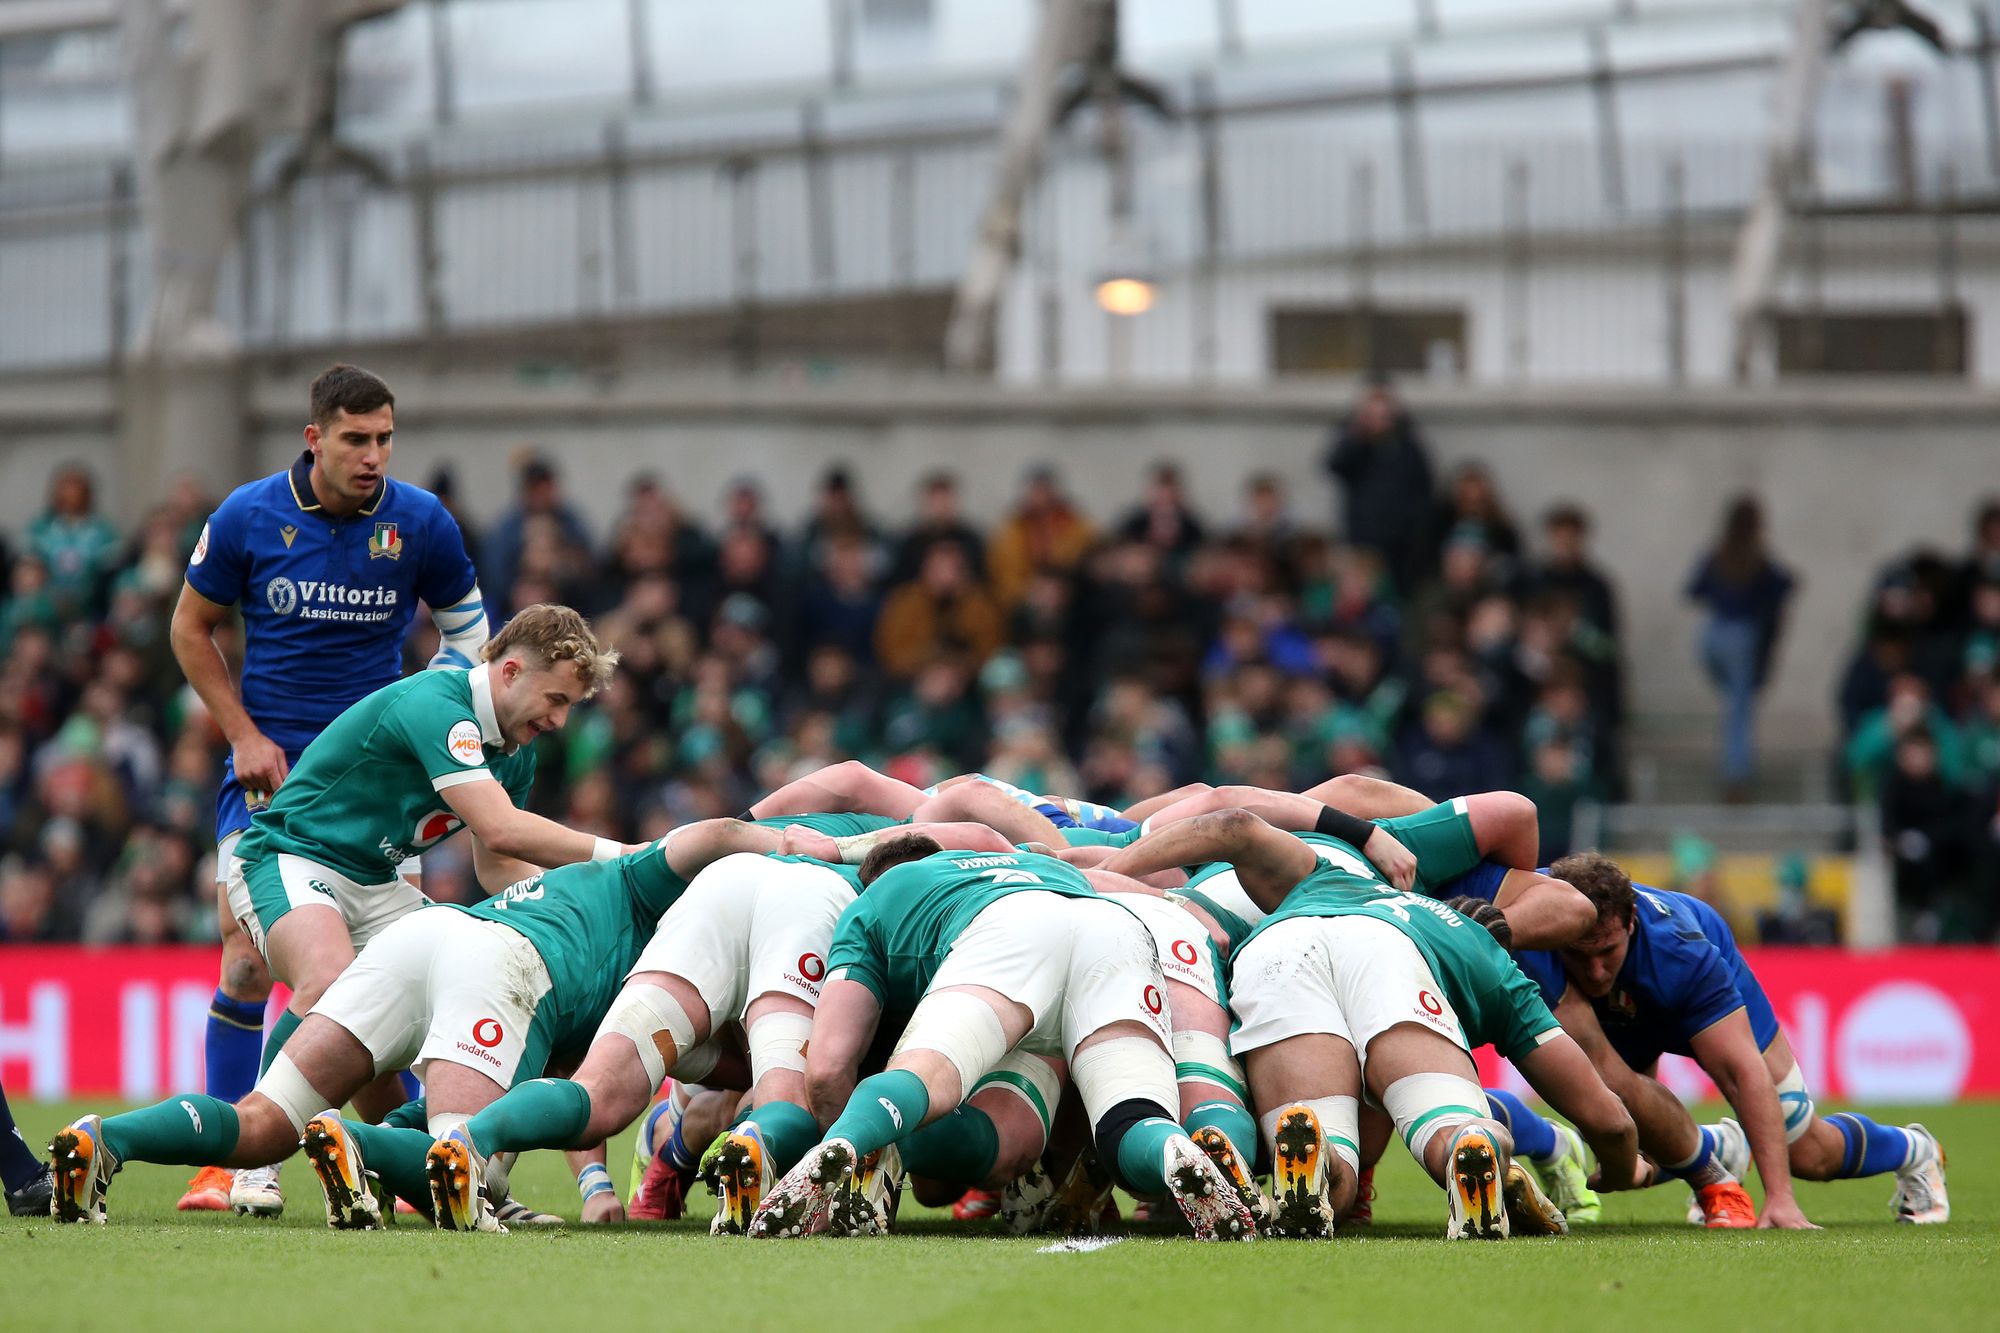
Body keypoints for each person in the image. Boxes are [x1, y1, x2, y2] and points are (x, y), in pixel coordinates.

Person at [46, 821, 784, 1228]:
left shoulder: (606, 903)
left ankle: (106, 1139)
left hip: (423, 940)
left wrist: (593, 1178)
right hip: (501, 969)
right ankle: (357, 1143)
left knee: (262, 1118)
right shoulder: (655, 905)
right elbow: (716, 831)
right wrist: (813, 847)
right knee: (468, 1170)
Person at [169, 363, 489, 1216]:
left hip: (377, 797)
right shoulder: (248, 516)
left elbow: (471, 638)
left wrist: (420, 719)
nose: (373, 455)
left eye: (385, 438)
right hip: (272, 780)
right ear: (314, 438)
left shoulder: (420, 523)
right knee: (247, 960)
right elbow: (189, 628)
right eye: (356, 439)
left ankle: (398, 1170)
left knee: (381, 988)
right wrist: (242, 733)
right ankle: (231, 1159)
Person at [1103, 807, 1639, 1240]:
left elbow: (1233, 824)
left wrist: (1086, 869)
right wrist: (1617, 1168)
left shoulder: (1318, 872)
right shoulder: (1474, 941)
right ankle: (1467, 1142)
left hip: (1278, 949)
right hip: (1397, 958)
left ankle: (1323, 1162)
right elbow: (1606, 1119)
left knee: (1323, 1139)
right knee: (1444, 1117)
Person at [752, 837, 1256, 1241]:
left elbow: (827, 1067)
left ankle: (847, 1147)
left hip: (1007, 930)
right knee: (1132, 1111)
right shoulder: (1026, 862)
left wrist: (836, 1127)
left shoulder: (873, 904)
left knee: (926, 1075)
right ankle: (1172, 1152)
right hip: (1114, 924)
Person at [1514, 852, 1949, 1228]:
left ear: (1630, 923)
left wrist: (1780, 1199)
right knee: (1639, 1149)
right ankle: (1722, 1148)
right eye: (1578, 955)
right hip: (1615, 1017)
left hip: (1690, 997)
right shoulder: (1537, 917)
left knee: (1808, 1155)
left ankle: (1915, 1150)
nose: (1594, 972)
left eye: (1607, 952)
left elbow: (1742, 1074)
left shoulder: (1681, 950)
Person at [1685, 495, 1795, 798]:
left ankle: (1735, 770)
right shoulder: (1756, 559)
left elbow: (1693, 590)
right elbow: (1785, 586)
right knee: (1738, 707)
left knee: (1735, 703)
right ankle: (1736, 776)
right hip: (1740, 634)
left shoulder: (1718, 555)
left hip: (1714, 633)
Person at [1323, 379, 1434, 593]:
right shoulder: (1353, 440)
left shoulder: (1407, 446)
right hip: (1363, 539)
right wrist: (1360, 436)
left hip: (1402, 544)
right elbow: (1334, 466)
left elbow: (1423, 490)